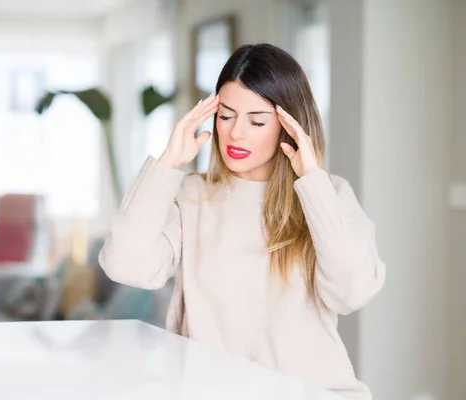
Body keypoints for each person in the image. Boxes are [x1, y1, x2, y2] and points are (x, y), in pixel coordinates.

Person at [98, 43, 386, 399]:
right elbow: (125, 266)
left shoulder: (329, 196)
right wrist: (167, 164)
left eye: (257, 121)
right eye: (226, 115)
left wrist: (312, 182)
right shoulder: (191, 196)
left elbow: (351, 291)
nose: (236, 133)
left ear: (288, 126)